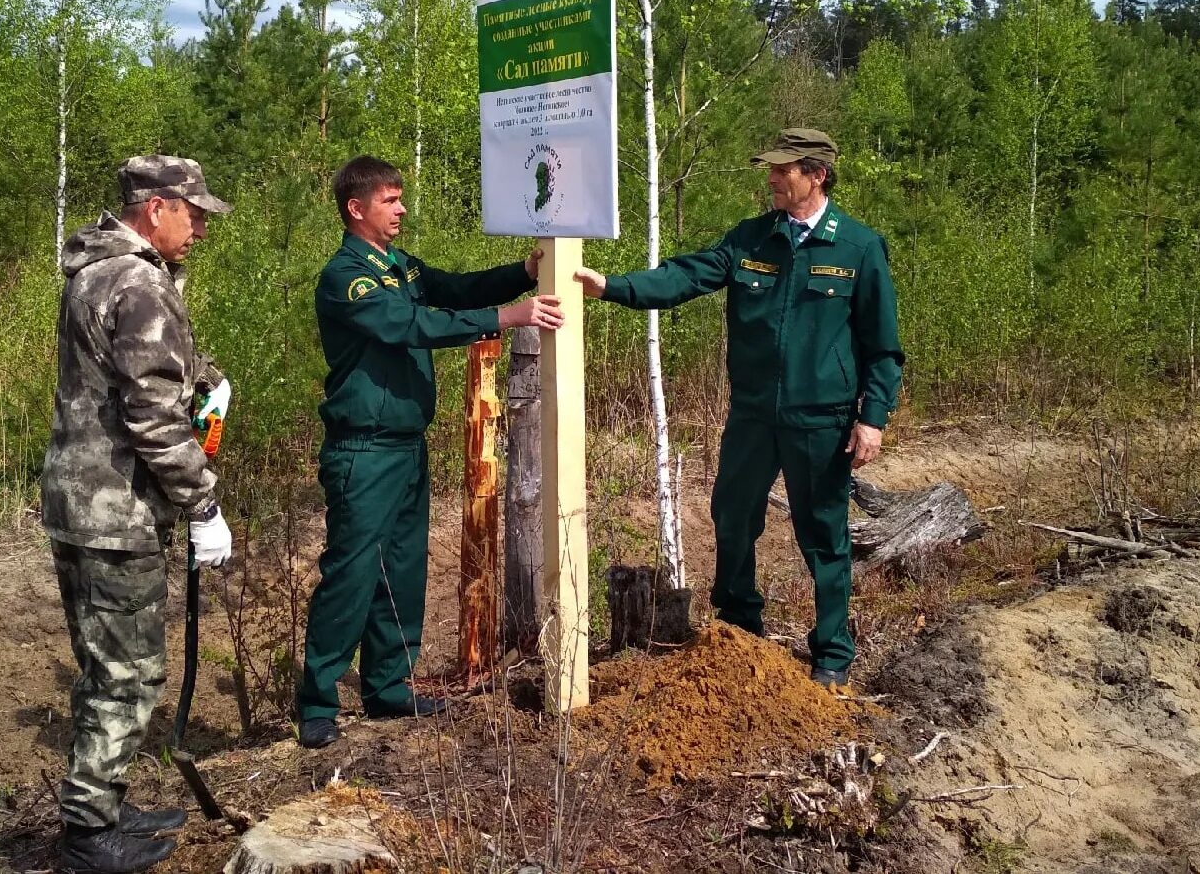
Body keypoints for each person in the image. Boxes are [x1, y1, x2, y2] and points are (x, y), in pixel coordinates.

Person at [575, 128, 903, 689]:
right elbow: (685, 274)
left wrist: (871, 418)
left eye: (783, 170)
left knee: (823, 533)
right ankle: (737, 627)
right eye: (771, 169)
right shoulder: (752, 239)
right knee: (732, 518)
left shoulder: (857, 247)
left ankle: (830, 650)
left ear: (816, 174)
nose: (772, 179)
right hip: (753, 415)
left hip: (822, 419)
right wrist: (612, 286)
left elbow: (883, 346)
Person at [297, 155, 564, 749]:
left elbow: (457, 289)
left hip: (405, 447)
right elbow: (406, 325)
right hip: (363, 451)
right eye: (390, 200)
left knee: (402, 570)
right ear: (356, 208)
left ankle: (389, 687)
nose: (401, 208)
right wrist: (504, 319)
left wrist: (524, 271)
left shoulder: (401, 267)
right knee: (351, 574)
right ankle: (318, 700)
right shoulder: (349, 276)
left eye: (401, 198)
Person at [41, 155, 237, 873]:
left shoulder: (94, 271)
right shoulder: (140, 280)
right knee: (128, 672)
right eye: (196, 214)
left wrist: (205, 374)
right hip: (115, 510)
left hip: (77, 501)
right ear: (157, 208)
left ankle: (107, 804)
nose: (202, 230)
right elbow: (153, 418)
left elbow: (136, 366)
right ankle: (91, 833)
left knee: (104, 665)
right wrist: (203, 501)